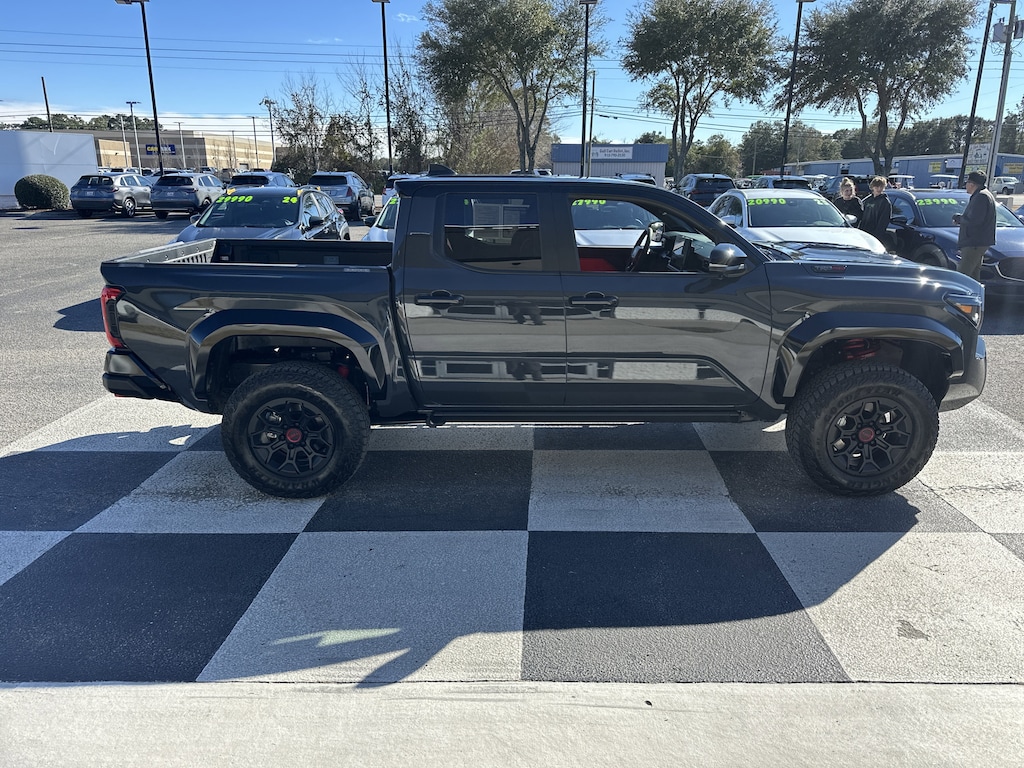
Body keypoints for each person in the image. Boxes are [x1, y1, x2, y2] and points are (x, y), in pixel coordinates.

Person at [952, 170, 996, 281]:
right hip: (977, 242)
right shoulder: (983, 194)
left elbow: (975, 220)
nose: (965, 186)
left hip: (974, 243)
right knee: (973, 276)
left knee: (962, 276)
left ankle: (960, 297)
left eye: (966, 183)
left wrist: (959, 219)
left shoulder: (981, 197)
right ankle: (975, 296)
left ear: (972, 184)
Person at [859, 176, 893, 250]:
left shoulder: (885, 202)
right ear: (872, 187)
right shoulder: (867, 200)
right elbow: (861, 216)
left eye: (881, 187)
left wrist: (877, 236)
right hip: (864, 233)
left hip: (875, 235)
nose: (879, 189)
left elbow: (883, 221)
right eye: (877, 186)